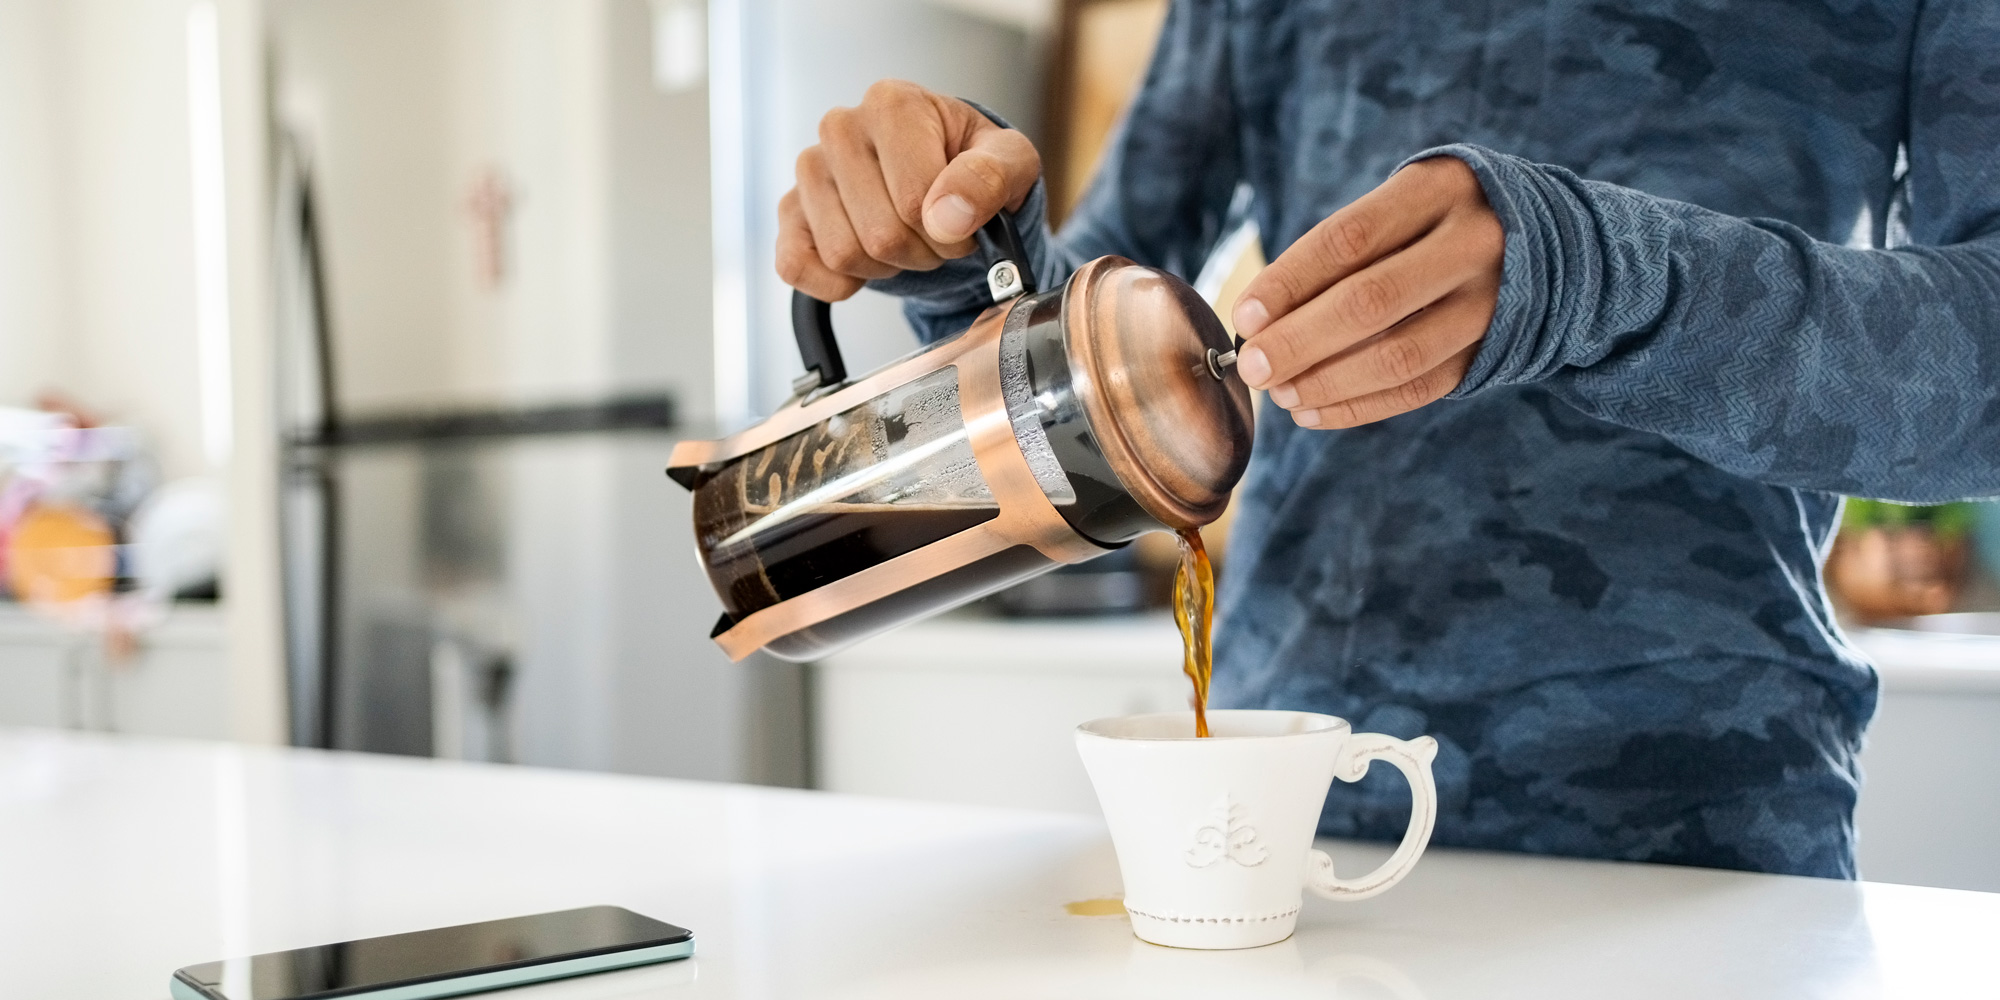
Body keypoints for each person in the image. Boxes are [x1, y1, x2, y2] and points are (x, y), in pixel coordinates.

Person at [773, 1, 2000, 878]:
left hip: (1696, 833)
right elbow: (1084, 335)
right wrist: (966, 242)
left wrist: (1598, 276)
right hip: (1273, 818)